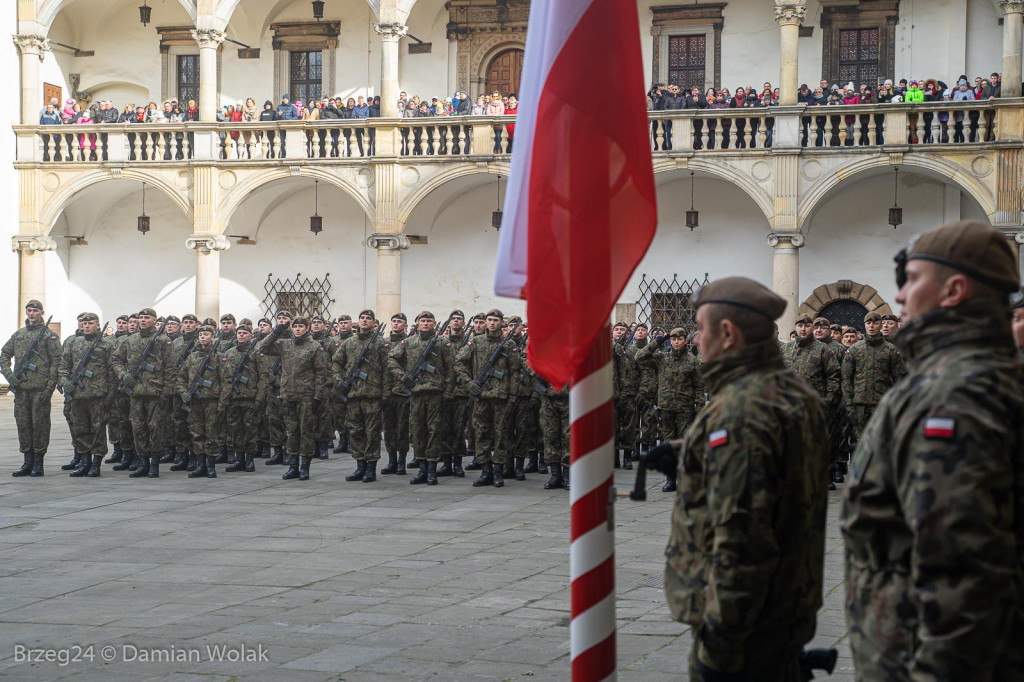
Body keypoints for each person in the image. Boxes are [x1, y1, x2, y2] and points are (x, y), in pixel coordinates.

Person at [841, 220, 1024, 681]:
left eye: (914, 279)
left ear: (954, 290)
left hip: (918, 657)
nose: (900, 296)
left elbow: (960, 579)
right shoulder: (972, 375)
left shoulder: (954, 395)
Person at [644, 276, 829, 682]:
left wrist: (720, 644)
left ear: (726, 334)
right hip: (784, 606)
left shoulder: (740, 409)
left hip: (745, 629)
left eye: (699, 329)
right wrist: (687, 454)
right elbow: (779, 475)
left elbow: (742, 536)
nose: (694, 340)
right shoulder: (789, 391)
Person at [258, 316, 328, 481]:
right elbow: (263, 347)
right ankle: (293, 466)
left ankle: (305, 467)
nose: (297, 329)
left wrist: (318, 397)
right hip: (288, 395)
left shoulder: (314, 346)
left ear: (307, 328)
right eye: (295, 326)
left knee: (306, 433)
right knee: (291, 432)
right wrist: (277, 330)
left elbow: (320, 374)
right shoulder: (285, 344)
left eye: (301, 326)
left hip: (306, 396)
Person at [634, 326, 704, 493]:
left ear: (685, 341)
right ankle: (670, 479)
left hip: (685, 409)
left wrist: (700, 409)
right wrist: (657, 342)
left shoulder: (692, 361)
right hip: (665, 408)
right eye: (673, 339)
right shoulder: (662, 358)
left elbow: (699, 387)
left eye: (679, 339)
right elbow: (639, 357)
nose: (676, 342)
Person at [456, 309, 520, 488]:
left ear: (502, 323)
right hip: (481, 397)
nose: (492, 323)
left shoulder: (509, 345)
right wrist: (470, 383)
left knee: (500, 435)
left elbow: (515, 371)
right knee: (481, 433)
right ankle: (486, 471)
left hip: (501, 397)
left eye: (495, 320)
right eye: (489, 320)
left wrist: (513, 395)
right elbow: (459, 362)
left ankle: (498, 471)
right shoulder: (476, 342)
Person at [389, 311, 453, 485]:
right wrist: (403, 377)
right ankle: (422, 467)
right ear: (417, 324)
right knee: (417, 430)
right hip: (416, 393)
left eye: (429, 321)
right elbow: (391, 359)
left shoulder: (442, 343)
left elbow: (451, 368)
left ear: (434, 323)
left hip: (435, 393)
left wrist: (447, 390)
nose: (425, 324)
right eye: (423, 321)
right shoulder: (409, 342)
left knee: (434, 430)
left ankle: (432, 468)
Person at [111, 308, 175, 478]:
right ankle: (143, 462)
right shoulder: (130, 340)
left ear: (154, 320)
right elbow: (116, 359)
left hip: (156, 392)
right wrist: (123, 375)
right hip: (136, 393)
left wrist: (166, 392)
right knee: (138, 428)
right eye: (141, 318)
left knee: (156, 429)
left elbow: (170, 368)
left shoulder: (163, 340)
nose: (143, 320)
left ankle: (154, 464)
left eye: (147, 317)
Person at [2, 300, 62, 477]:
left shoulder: (49, 336)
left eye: (35, 311)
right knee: (23, 425)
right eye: (29, 310)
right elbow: (4, 355)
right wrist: (9, 375)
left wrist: (49, 388)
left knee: (40, 425)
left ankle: (38, 462)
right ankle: (27, 461)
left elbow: (56, 362)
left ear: (41, 313)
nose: (31, 314)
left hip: (39, 389)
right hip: (21, 389)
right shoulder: (18, 335)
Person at [332, 309, 387, 482]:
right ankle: (359, 465)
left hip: (372, 395)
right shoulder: (349, 343)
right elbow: (336, 363)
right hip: (353, 395)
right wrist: (339, 381)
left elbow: (387, 369)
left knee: (372, 433)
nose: (364, 321)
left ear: (373, 322)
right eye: (362, 318)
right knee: (356, 431)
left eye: (368, 319)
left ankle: (371, 467)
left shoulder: (379, 343)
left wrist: (385, 393)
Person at [841, 311, 904, 437]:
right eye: (868, 323)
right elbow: (846, 379)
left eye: (875, 323)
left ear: (880, 325)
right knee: (861, 443)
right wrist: (849, 405)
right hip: (859, 405)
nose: (871, 326)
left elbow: (900, 380)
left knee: (882, 440)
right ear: (864, 325)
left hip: (882, 403)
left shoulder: (891, 350)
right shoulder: (854, 349)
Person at [177, 321, 223, 478]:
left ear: (213, 337)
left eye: (207, 334)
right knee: (197, 433)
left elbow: (226, 381)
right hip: (195, 401)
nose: (203, 337)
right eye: (201, 335)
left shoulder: (218, 357)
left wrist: (222, 403)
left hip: (211, 400)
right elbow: (181, 377)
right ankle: (200, 464)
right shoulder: (192, 357)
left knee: (211, 433)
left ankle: (211, 466)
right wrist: (183, 392)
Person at [220, 321, 263, 473]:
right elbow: (224, 377)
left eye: (244, 333)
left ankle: (249, 459)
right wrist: (224, 396)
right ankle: (239, 459)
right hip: (233, 397)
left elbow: (262, 376)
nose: (241, 335)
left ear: (251, 335)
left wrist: (259, 397)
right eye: (239, 333)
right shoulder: (230, 353)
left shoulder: (255, 352)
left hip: (249, 397)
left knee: (250, 429)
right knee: (235, 429)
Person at [381, 313, 412, 474]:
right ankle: (391, 460)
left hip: (402, 392)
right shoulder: (383, 343)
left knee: (402, 428)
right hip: (386, 392)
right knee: (388, 428)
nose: (396, 324)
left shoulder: (409, 343)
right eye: (394, 321)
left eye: (399, 322)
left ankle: (401, 460)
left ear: (405, 325)